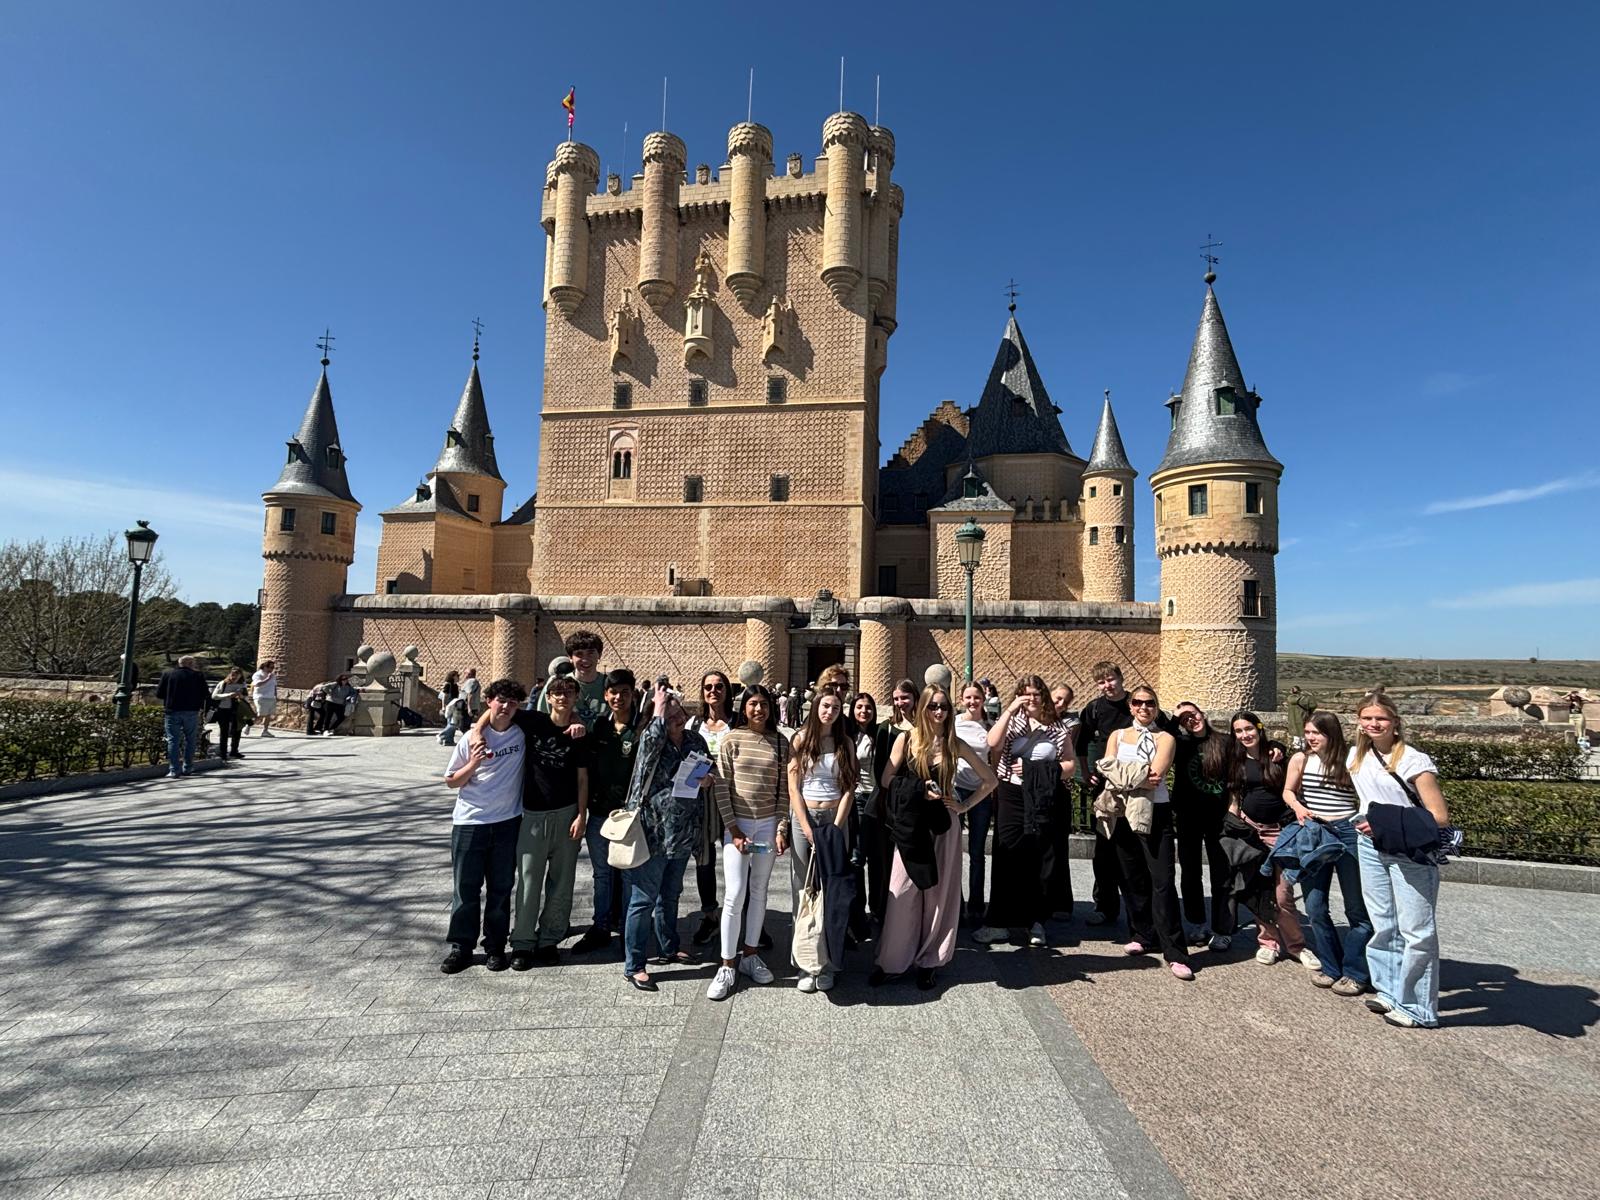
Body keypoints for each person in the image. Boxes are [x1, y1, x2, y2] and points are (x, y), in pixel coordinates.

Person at [876, 685, 997, 988]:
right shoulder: (907, 739)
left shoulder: (955, 744)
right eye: (933, 706)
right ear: (923, 709)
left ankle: (930, 960)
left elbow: (990, 780)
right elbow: (886, 779)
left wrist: (963, 805)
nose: (939, 712)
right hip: (912, 826)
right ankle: (893, 961)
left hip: (944, 825)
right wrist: (918, 789)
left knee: (938, 897)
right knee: (902, 891)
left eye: (944, 706)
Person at [472, 674, 592, 969]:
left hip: (566, 815)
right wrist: (476, 731)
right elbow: (497, 709)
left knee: (562, 882)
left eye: (568, 692)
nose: (562, 697)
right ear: (548, 697)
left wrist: (581, 815)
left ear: (576, 698)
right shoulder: (534, 721)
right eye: (557, 692)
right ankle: (523, 942)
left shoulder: (579, 734)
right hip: (533, 816)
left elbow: (582, 778)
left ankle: (549, 939)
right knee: (528, 881)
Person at [1349, 690, 1448, 1028]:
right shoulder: (1355, 757)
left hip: (1408, 850)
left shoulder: (1414, 761)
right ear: (1358, 722)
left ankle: (1419, 1008)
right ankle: (1390, 991)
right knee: (1384, 923)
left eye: (1381, 718)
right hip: (1370, 846)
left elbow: (1439, 816)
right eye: (1367, 718)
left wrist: (1383, 822)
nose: (1374, 724)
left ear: (1395, 722)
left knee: (1416, 930)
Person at [620, 681, 714, 991]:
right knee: (643, 899)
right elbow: (649, 747)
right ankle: (634, 965)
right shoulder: (651, 737)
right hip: (652, 831)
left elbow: (706, 769)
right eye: (670, 714)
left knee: (671, 894)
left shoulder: (695, 740)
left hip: (682, 832)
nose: (677, 718)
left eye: (679, 713)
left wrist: (707, 779)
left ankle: (668, 947)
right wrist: (659, 706)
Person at [976, 676, 1075, 948]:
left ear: (1044, 696)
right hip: (1011, 793)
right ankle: (999, 921)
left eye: (1035, 693)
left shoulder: (1057, 728)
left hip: (1041, 796)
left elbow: (1070, 765)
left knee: (1038, 856)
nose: (1030, 698)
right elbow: (993, 743)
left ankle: (1036, 921)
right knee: (1006, 852)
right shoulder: (1013, 721)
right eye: (1025, 693)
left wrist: (1039, 770)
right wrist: (1009, 709)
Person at [706, 684, 790, 1000]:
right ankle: (727, 964)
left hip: (767, 824)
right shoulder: (731, 740)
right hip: (738, 824)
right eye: (753, 704)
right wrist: (734, 829)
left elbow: (784, 790)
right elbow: (722, 787)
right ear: (744, 708)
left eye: (764, 704)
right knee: (735, 892)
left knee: (759, 890)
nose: (759, 709)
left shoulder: (780, 742)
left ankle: (750, 955)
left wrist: (781, 828)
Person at [1105, 686, 1195, 981]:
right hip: (1122, 812)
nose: (1144, 707)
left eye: (1150, 703)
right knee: (1132, 878)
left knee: (1163, 881)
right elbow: (1107, 769)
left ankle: (1175, 952)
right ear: (1130, 706)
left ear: (1156, 707)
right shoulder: (1118, 736)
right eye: (1138, 702)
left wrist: (1124, 774)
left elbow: (1155, 775)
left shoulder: (1165, 738)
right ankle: (1143, 934)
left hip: (1155, 812)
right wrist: (1136, 775)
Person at [441, 679, 528, 974]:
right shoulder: (470, 738)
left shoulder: (521, 734)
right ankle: (461, 946)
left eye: (512, 702)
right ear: (489, 700)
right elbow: (451, 781)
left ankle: (495, 946)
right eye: (500, 700)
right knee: (465, 888)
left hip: (507, 822)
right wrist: (473, 764)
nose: (505, 707)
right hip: (470, 822)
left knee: (501, 889)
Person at [1284, 711, 1372, 996]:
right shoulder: (1301, 759)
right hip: (1316, 833)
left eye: (1317, 733)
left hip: (1348, 832)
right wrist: (1299, 808)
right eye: (1308, 732)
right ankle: (1331, 966)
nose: (1311, 738)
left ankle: (1356, 971)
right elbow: (1288, 791)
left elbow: (1368, 792)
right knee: (1315, 907)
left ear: (1331, 734)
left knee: (1356, 908)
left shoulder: (1350, 759)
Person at [1227, 710, 1317, 972]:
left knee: (1283, 893)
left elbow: (1295, 789)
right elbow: (1234, 797)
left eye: (1248, 729)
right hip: (1252, 831)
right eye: (1239, 731)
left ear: (1259, 727)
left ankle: (1296, 945)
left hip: (1282, 833)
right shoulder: (1236, 761)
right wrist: (1235, 826)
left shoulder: (1277, 756)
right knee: (1259, 890)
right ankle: (1268, 942)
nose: (1245, 735)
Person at [785, 688, 859, 992]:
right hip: (805, 817)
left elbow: (849, 787)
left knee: (831, 888)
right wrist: (806, 828)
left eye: (836, 707)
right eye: (826, 706)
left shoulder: (845, 742)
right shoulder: (800, 740)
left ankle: (827, 963)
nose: (830, 711)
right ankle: (804, 961)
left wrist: (835, 828)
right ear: (816, 707)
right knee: (803, 888)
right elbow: (793, 787)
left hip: (834, 818)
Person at [572, 669, 642, 955]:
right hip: (600, 814)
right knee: (602, 875)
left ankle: (628, 930)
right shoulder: (600, 726)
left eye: (625, 692)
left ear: (633, 695)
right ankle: (600, 926)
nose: (618, 698)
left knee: (628, 875)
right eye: (613, 692)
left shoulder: (642, 728)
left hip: (628, 817)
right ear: (606, 695)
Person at [1074, 662, 1133, 929]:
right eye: (1101, 682)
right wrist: (1086, 772)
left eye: (1110, 679)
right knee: (1105, 848)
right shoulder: (1094, 708)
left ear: (1120, 678)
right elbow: (1081, 742)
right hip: (1105, 786)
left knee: (1133, 848)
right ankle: (1105, 906)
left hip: (1135, 786)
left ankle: (1137, 907)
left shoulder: (1136, 704)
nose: (1107, 685)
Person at [1171, 701, 1234, 951]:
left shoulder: (1225, 741)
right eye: (1184, 718)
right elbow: (1161, 737)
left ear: (1203, 714)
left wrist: (1277, 748)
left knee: (1222, 874)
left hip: (1218, 817)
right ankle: (1197, 923)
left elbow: (1251, 756)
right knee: (1190, 872)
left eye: (1193, 714)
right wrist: (1174, 718)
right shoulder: (1179, 743)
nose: (1191, 720)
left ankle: (1222, 929)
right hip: (1188, 815)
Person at [689, 670, 739, 948]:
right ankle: (709, 915)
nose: (713, 691)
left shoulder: (738, 722)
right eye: (708, 687)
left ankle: (743, 915)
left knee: (740, 856)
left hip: (735, 796)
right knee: (704, 858)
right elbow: (687, 757)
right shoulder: (695, 723)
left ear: (727, 691)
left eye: (719, 686)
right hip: (704, 797)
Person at [864, 678, 917, 924]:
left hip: (915, 800)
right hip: (888, 799)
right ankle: (880, 908)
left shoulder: (924, 727)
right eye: (896, 699)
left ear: (915, 697)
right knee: (881, 857)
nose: (900, 703)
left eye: (904, 698)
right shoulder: (886, 728)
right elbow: (880, 769)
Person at [954, 682, 994, 923]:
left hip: (981, 791)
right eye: (968, 697)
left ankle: (977, 905)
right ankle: (957, 904)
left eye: (976, 697)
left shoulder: (989, 726)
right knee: (954, 850)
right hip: (957, 788)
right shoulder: (954, 723)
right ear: (961, 699)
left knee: (977, 852)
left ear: (983, 699)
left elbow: (994, 759)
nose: (972, 701)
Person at [1046, 683, 1080, 917]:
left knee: (1058, 846)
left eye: (1065, 702)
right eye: (1057, 698)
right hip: (1038, 788)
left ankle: (1061, 903)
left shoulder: (1070, 724)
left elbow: (1066, 756)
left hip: (1058, 786)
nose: (1060, 704)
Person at [155, 655, 208, 778]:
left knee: (173, 740)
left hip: (172, 710)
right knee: (190, 739)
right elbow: (205, 693)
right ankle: (188, 767)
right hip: (191, 710)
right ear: (190, 664)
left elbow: (159, 694)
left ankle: (174, 769)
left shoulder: (168, 674)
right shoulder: (198, 676)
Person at [538, 630, 608, 722]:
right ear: (570, 657)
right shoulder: (556, 684)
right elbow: (542, 718)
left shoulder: (609, 684)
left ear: (599, 655)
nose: (585, 659)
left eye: (590, 653)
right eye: (579, 654)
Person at [210, 668, 250, 760]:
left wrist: (241, 696)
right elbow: (214, 696)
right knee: (224, 731)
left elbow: (246, 698)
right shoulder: (223, 683)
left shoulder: (242, 685)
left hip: (237, 710)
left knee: (237, 730)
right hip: (223, 709)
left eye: (236, 675)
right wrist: (228, 695)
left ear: (240, 676)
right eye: (233, 674)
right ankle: (223, 752)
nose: (234, 676)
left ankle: (234, 751)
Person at [251, 661, 279, 737]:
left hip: (271, 697)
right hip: (261, 697)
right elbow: (257, 684)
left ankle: (265, 731)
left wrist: (275, 695)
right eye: (270, 667)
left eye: (273, 667)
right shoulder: (258, 674)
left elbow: (274, 686)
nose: (272, 669)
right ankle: (249, 724)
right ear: (265, 667)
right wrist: (267, 678)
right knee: (261, 715)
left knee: (268, 715)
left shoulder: (273, 675)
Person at [438, 670, 462, 745]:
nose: (459, 677)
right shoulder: (448, 685)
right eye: (457, 676)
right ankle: (442, 735)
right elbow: (444, 696)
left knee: (453, 722)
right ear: (453, 676)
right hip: (449, 706)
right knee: (452, 723)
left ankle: (448, 740)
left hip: (455, 705)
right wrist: (443, 707)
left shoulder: (455, 685)